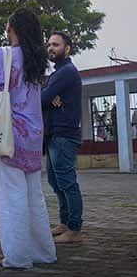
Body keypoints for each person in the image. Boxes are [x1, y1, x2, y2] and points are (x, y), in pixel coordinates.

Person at [0, 8, 56, 270]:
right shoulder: (38, 61)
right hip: (34, 136)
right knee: (34, 196)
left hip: (8, 134)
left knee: (11, 196)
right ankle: (43, 252)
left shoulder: (3, 55)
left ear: (12, 29)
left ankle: (17, 257)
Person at [42, 31, 83, 244]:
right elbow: (45, 94)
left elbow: (41, 98)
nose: (51, 48)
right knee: (55, 181)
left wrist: (48, 94)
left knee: (67, 183)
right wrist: (49, 93)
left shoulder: (66, 72)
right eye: (49, 44)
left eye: (56, 45)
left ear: (67, 49)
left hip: (64, 135)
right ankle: (65, 223)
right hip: (54, 135)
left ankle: (75, 230)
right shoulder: (57, 74)